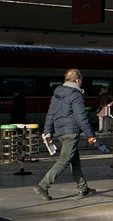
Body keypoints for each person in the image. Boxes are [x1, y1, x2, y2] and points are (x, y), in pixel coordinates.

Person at [35, 69, 98, 200]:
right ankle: (43, 185)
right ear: (77, 80)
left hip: (60, 131)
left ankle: (83, 187)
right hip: (71, 131)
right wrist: (90, 134)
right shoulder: (76, 95)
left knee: (74, 160)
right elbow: (81, 117)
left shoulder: (57, 94)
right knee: (64, 160)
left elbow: (50, 114)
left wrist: (47, 132)